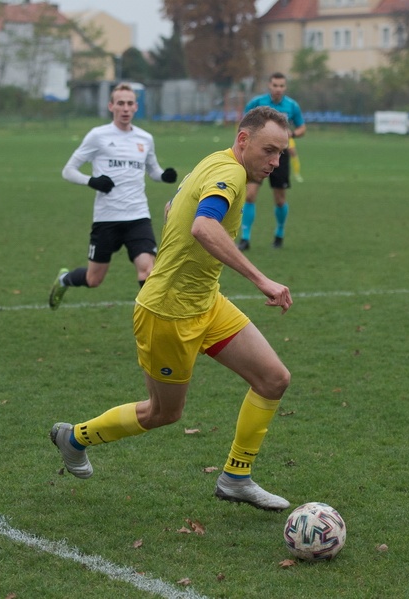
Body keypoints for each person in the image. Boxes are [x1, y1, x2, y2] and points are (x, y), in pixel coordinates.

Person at [50, 106, 294, 511]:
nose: (275, 162)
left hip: (207, 303)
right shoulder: (230, 173)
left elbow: (176, 205)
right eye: (269, 150)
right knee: (163, 413)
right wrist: (261, 280)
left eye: (281, 153)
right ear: (243, 140)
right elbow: (203, 225)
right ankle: (74, 437)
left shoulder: (217, 161)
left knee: (273, 379)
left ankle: (236, 477)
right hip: (168, 314)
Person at [49, 83, 178, 310]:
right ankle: (64, 279)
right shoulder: (97, 136)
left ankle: (153, 320)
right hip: (107, 218)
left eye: (130, 103)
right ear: (111, 106)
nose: (125, 108)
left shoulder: (145, 138)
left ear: (136, 107)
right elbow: (68, 171)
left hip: (138, 216)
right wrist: (92, 181)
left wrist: (163, 176)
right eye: (120, 103)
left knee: (148, 269)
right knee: (94, 279)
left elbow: (153, 170)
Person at [237, 73, 305, 250]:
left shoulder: (291, 105)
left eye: (282, 86)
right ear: (269, 85)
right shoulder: (257, 103)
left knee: (280, 199)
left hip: (281, 156)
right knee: (250, 195)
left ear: (285, 87)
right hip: (257, 155)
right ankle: (245, 238)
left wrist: (293, 134)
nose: (278, 89)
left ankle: (279, 234)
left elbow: (302, 127)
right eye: (275, 85)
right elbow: (244, 124)